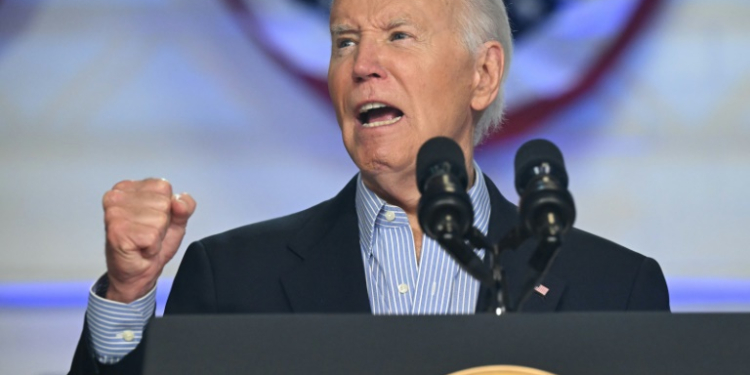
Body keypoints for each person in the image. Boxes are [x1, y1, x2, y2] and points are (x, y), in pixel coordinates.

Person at [69, 0, 670, 373]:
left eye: (399, 35)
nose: (362, 66)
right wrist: (127, 298)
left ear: (483, 75)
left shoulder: (613, 288)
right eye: (345, 41)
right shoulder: (232, 277)